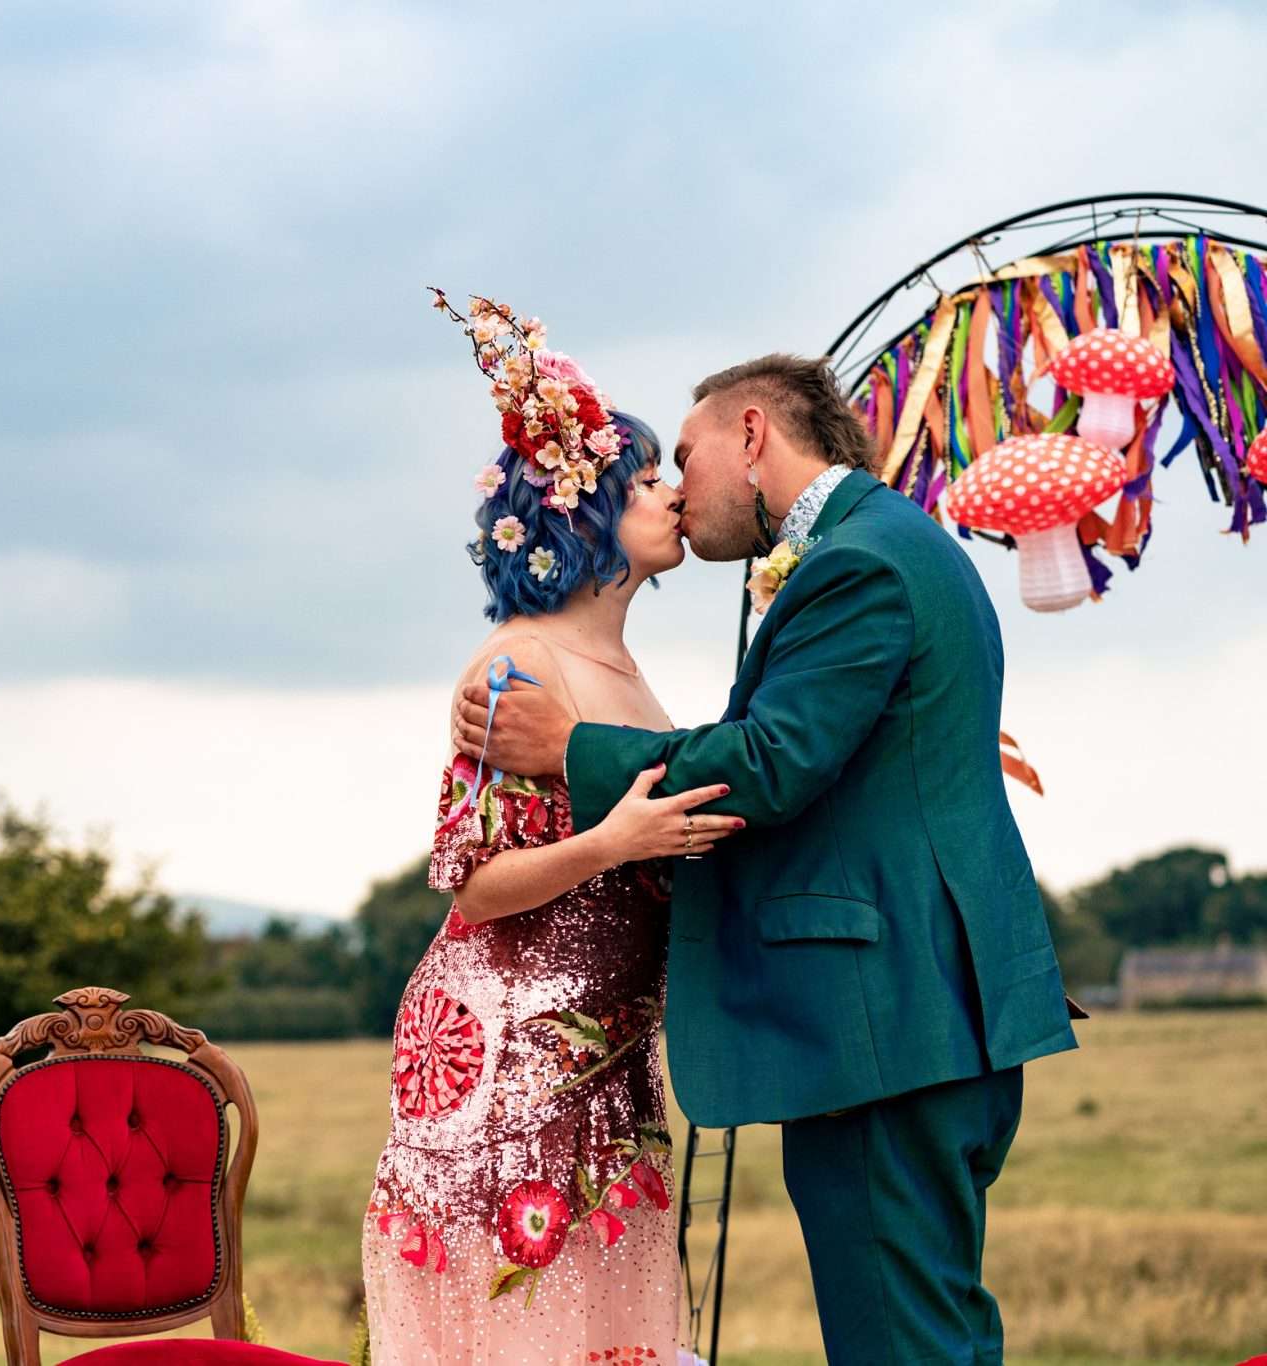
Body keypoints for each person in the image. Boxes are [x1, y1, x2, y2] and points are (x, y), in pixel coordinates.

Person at [456, 353, 1080, 1365]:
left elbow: (770, 762)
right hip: (922, 1020)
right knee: (937, 1332)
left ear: (751, 434)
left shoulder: (857, 563)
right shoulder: (889, 542)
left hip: (884, 1030)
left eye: (684, 457)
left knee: (897, 1345)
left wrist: (569, 748)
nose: (677, 488)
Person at [363, 296, 735, 1364]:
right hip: (509, 1050)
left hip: (608, 1050)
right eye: (647, 480)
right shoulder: (517, 664)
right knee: (526, 1319)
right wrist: (613, 844)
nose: (673, 493)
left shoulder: (624, 669)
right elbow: (475, 882)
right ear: (586, 512)